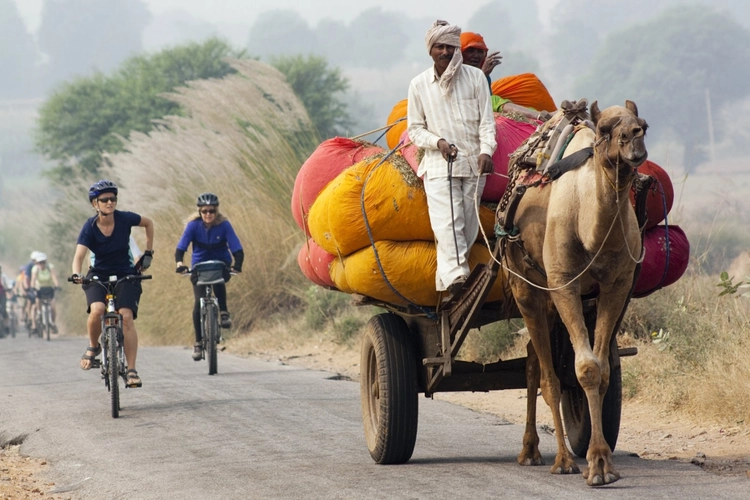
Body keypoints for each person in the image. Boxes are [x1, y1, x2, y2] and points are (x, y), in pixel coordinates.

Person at [407, 20, 497, 297]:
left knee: (469, 225)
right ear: (430, 50)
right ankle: (457, 279)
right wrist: (439, 143)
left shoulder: (476, 78)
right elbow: (414, 130)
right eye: (439, 46)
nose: (445, 52)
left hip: (473, 164)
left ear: (457, 48)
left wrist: (486, 151)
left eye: (450, 46)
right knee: (448, 223)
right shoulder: (419, 85)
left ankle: (447, 282)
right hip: (438, 166)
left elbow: (486, 122)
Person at [71, 180, 154, 388]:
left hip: (126, 274)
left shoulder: (125, 218)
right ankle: (93, 346)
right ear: (94, 204)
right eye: (104, 200)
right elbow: (79, 256)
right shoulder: (89, 227)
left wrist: (148, 254)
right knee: (97, 310)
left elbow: (149, 223)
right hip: (98, 275)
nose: (110, 203)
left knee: (126, 316)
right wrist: (76, 273)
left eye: (113, 199)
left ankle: (132, 370)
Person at [175, 192, 243, 361]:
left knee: (219, 278)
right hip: (199, 267)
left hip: (221, 263)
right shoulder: (192, 226)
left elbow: (237, 248)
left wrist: (237, 265)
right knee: (198, 304)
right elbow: (181, 248)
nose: (208, 214)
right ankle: (198, 343)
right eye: (204, 211)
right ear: (199, 211)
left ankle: (224, 312)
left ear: (216, 211)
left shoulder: (224, 225)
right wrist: (180, 264)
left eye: (211, 211)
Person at [29, 253, 60, 333]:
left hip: (49, 288)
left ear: (45, 262)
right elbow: (33, 279)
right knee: (38, 300)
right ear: (37, 263)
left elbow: (54, 277)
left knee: (53, 307)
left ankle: (52, 323)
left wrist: (57, 285)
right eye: (40, 263)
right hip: (39, 288)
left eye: (43, 262)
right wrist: (32, 287)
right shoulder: (35, 269)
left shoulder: (50, 267)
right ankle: (39, 313)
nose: (41, 264)